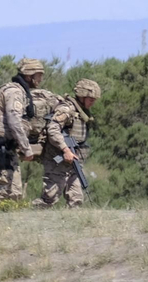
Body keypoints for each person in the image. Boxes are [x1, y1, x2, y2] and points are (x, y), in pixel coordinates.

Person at [0, 58, 44, 211]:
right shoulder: (15, 92)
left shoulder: (19, 91)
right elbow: (14, 121)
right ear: (29, 75)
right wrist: (26, 148)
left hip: (7, 147)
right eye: (38, 75)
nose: (40, 79)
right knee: (3, 190)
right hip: (0, 146)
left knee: (15, 193)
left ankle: (2, 219)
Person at [34, 78, 100, 209]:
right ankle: (30, 218)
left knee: (76, 199)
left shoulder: (82, 113)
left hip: (74, 160)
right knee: (49, 198)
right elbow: (52, 129)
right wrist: (65, 150)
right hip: (57, 160)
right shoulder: (66, 109)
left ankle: (75, 225)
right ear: (82, 95)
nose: (93, 102)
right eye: (90, 99)